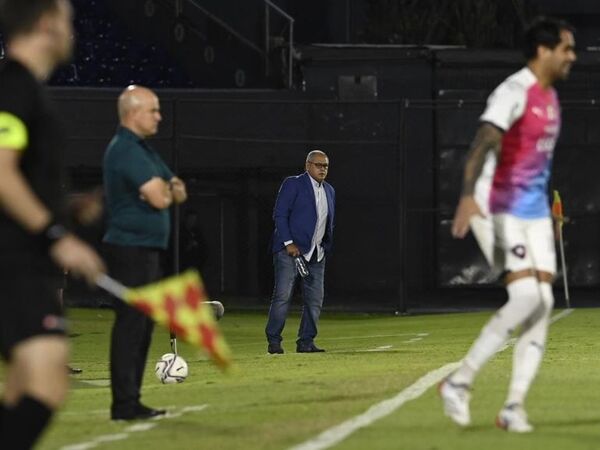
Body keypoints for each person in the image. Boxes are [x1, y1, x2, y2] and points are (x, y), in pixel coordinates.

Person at [439, 17, 576, 432]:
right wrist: (465, 197)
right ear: (543, 50)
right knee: (525, 299)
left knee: (544, 302)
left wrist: (547, 218)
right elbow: (483, 141)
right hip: (494, 205)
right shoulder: (513, 91)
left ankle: (513, 406)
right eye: (567, 48)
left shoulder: (550, 99)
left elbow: (536, 165)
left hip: (531, 212)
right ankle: (459, 382)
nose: (573, 56)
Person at [0, 0, 106, 447]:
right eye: (68, 20)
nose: (72, 31)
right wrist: (56, 234)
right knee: (46, 383)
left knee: (25, 387)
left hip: (25, 261)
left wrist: (64, 207)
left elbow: (18, 175)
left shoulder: (26, 90)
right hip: (17, 262)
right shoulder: (14, 89)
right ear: (46, 23)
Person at [103, 85, 187, 420]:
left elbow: (178, 189)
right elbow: (161, 197)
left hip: (146, 249)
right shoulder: (125, 149)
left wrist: (163, 190)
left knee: (142, 327)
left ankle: (131, 401)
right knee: (130, 325)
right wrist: (163, 191)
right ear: (132, 112)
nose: (159, 116)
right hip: (129, 249)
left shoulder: (144, 150)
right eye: (153, 110)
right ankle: (123, 404)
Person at [265, 150, 335, 354]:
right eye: (318, 165)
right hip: (290, 251)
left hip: (316, 253)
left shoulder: (330, 190)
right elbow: (279, 215)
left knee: (315, 300)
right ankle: (274, 341)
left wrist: (324, 245)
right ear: (307, 165)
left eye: (326, 166)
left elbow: (328, 222)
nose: (322, 169)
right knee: (283, 296)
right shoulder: (293, 183)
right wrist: (288, 243)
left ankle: (306, 342)